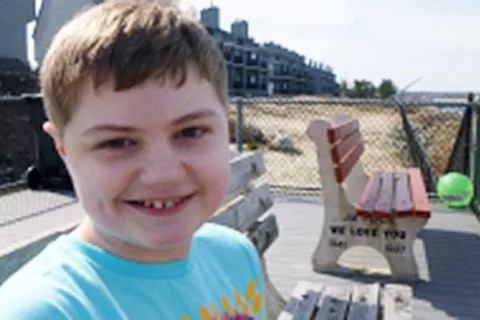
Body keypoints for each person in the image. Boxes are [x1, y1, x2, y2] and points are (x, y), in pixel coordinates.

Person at [0, 1, 267, 319]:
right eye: (117, 142)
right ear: (62, 149)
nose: (162, 174)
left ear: (225, 126)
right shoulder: (45, 311)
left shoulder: (235, 256)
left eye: (191, 131)